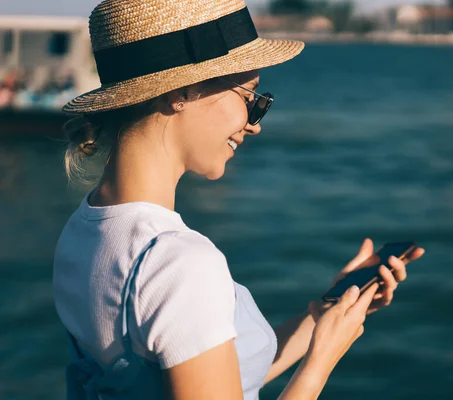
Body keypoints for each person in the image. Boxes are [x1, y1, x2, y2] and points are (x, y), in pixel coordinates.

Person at [53, 0, 425, 399]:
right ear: (183, 91)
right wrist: (323, 360)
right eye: (249, 96)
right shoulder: (181, 266)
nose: (254, 124)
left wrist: (322, 316)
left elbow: (208, 376)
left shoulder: (80, 232)